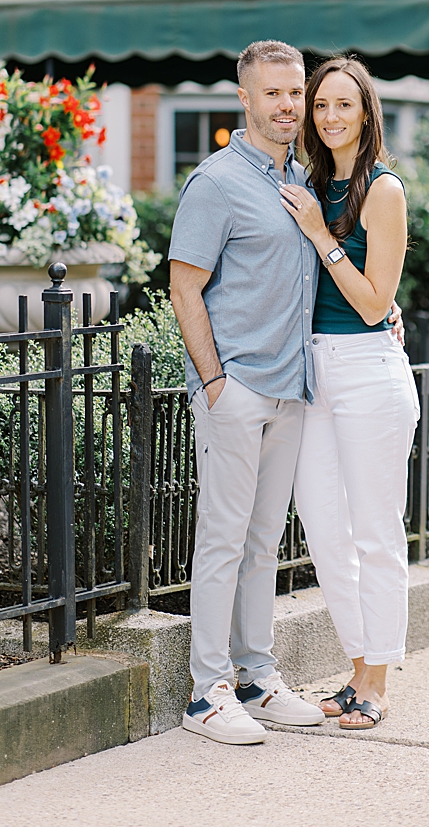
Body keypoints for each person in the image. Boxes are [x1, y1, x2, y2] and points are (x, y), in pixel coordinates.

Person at [167, 39, 327, 743]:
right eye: (274, 94)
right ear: (245, 97)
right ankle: (208, 692)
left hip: (291, 388)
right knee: (224, 541)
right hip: (238, 390)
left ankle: (258, 677)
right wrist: (214, 382)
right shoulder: (216, 181)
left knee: (265, 542)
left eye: (295, 92)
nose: (289, 105)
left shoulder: (302, 179)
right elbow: (183, 285)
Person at [279, 56, 415, 731]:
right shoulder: (306, 184)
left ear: (366, 112)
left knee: (375, 530)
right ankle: (357, 662)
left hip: (367, 367)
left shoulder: (381, 190)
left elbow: (371, 303)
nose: (330, 116)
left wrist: (321, 235)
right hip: (313, 370)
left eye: (343, 104)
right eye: (321, 105)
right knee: (325, 529)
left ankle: (377, 680)